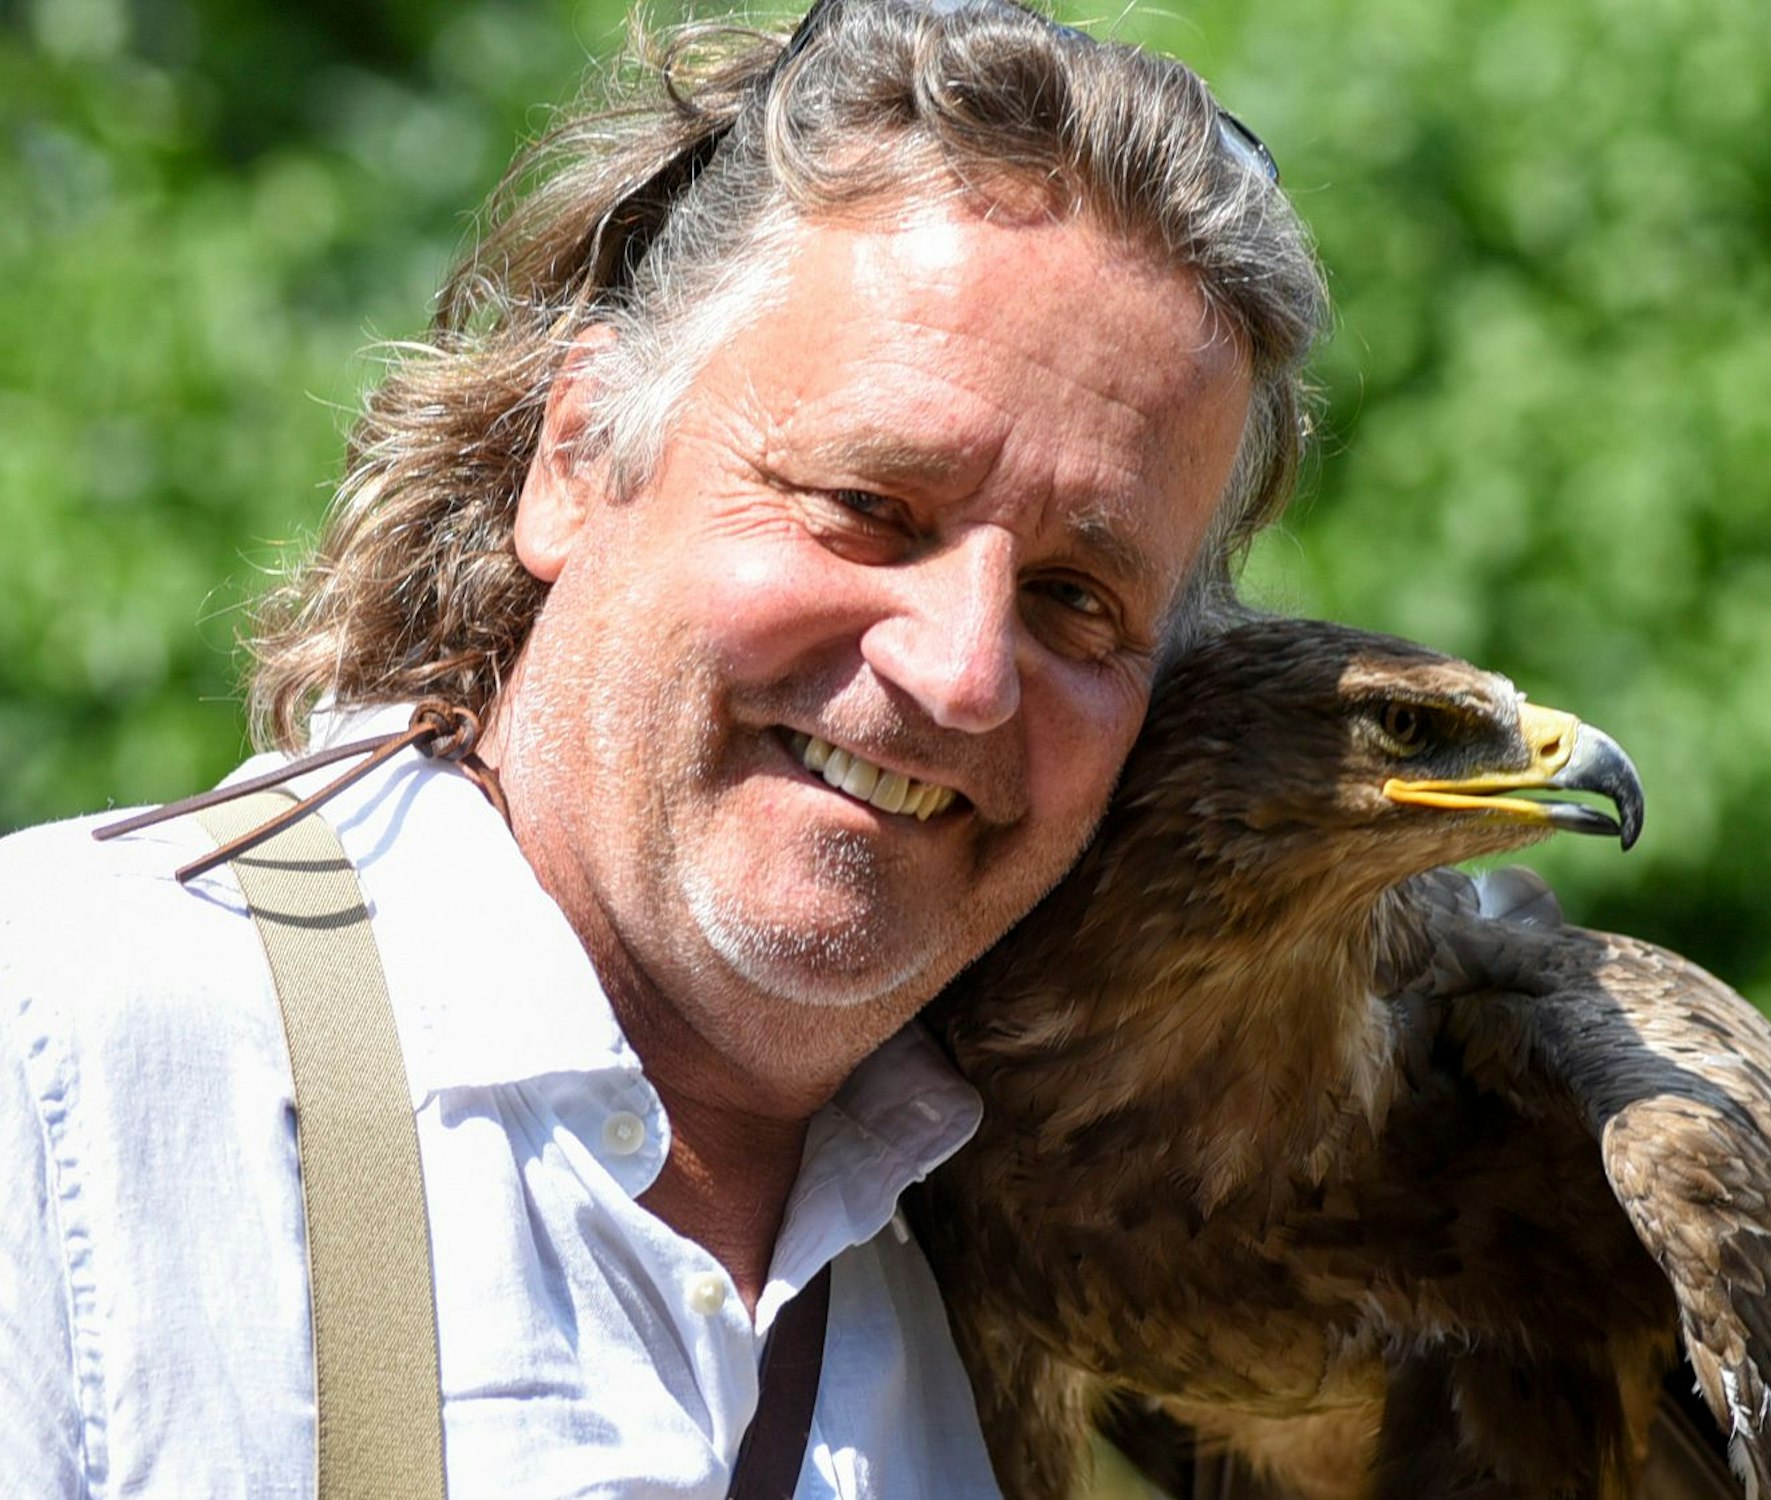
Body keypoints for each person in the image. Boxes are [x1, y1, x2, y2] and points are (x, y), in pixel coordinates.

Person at [0, 0, 1325, 1492]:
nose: (958, 674)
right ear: (578, 459)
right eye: (868, 507)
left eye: (1078, 601)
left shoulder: (1046, 1258)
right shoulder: (67, 1046)